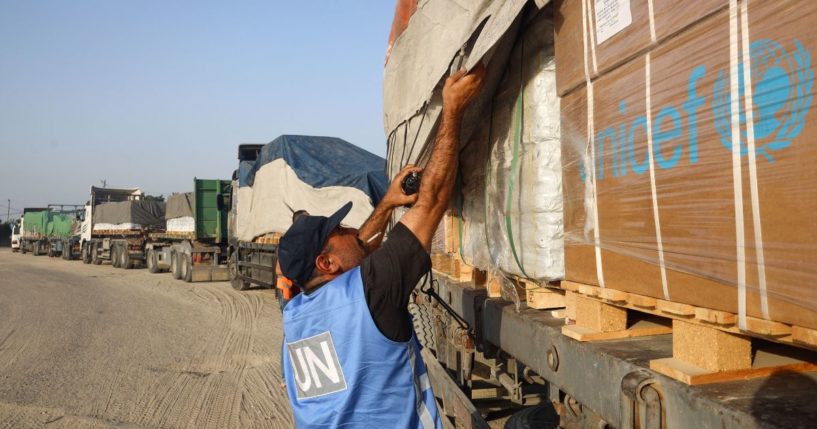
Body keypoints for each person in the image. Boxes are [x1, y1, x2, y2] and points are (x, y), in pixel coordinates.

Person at [278, 64, 486, 428]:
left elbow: (357, 246)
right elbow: (433, 199)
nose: (351, 230)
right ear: (326, 263)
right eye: (340, 228)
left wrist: (387, 204)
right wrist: (452, 110)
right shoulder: (370, 290)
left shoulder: (295, 319)